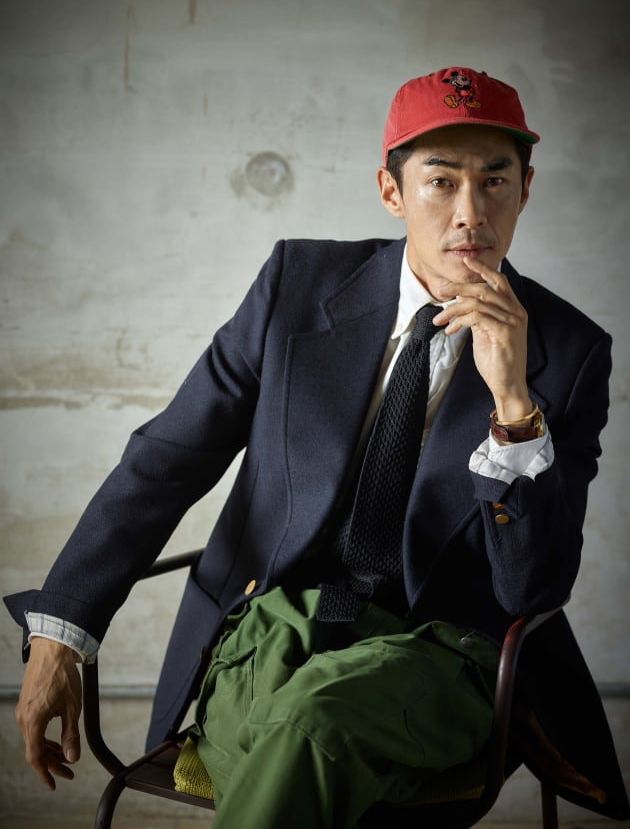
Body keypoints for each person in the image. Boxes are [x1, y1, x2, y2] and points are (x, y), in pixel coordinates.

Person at [5, 67, 629, 826]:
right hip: (272, 627)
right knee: (297, 738)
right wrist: (62, 633)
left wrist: (513, 406)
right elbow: (168, 458)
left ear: (525, 190)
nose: (471, 213)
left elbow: (535, 588)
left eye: (495, 181)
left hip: (441, 653)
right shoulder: (296, 285)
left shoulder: (569, 354)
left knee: (311, 727)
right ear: (391, 191)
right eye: (441, 182)